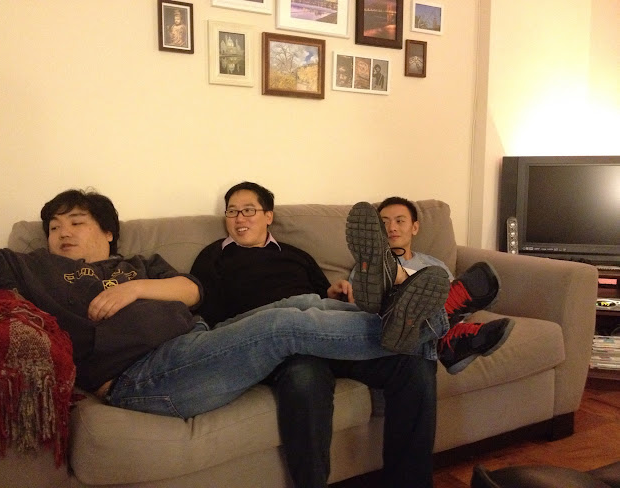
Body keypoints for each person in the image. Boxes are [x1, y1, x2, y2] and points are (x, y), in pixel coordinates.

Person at [0, 188, 445, 428]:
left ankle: (423, 320)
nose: (63, 234)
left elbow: (192, 291)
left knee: (300, 302)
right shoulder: (33, 267)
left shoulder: (139, 264)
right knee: (281, 327)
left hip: (195, 344)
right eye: (54, 227)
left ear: (108, 232)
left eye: (76, 222)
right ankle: (434, 329)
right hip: (140, 377)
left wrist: (135, 289)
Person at [190, 182, 509, 488]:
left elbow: (321, 295)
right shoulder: (213, 257)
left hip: (327, 330)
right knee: (305, 377)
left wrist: (335, 291)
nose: (240, 219)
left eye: (248, 210)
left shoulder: (296, 254)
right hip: (275, 341)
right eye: (232, 212)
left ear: (268, 216)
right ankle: (438, 331)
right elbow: (212, 319)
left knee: (413, 365)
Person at [374, 196, 515, 374]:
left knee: (444, 295)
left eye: (399, 221)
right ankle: (448, 343)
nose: (392, 228)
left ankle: (448, 337)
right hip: (396, 320)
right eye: (384, 223)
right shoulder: (370, 267)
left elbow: (461, 309)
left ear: (414, 227)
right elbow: (364, 305)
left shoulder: (434, 264)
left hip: (436, 321)